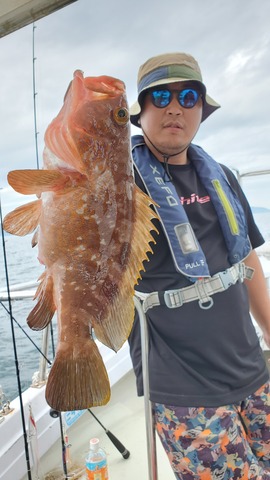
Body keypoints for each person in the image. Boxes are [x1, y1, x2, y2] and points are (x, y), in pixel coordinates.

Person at [128, 52, 270, 479]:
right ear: (140, 112)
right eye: (160, 96)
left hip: (249, 365)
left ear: (201, 111)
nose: (175, 107)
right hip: (182, 384)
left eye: (188, 96)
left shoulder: (222, 176)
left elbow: (247, 258)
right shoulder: (119, 186)